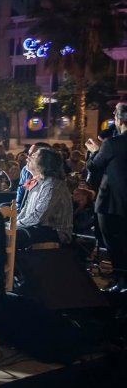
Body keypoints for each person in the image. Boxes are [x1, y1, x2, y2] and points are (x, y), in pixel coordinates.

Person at [86, 102, 127, 291]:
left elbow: (94, 166)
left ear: (119, 120)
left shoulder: (112, 144)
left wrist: (95, 151)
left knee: (115, 245)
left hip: (111, 205)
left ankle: (121, 282)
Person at [16, 147, 73, 249]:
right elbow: (25, 210)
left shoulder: (53, 185)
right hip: (36, 227)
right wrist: (13, 224)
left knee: (13, 237)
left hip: (56, 232)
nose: (28, 158)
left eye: (34, 156)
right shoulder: (38, 182)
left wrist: (15, 225)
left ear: (45, 164)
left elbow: (39, 217)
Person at [15, 142, 52, 211]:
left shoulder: (50, 176)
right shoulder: (26, 169)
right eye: (28, 153)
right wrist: (18, 207)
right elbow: (21, 189)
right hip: (23, 207)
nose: (28, 157)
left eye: (33, 155)